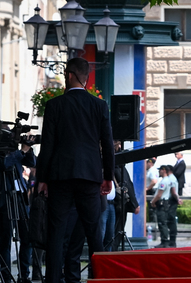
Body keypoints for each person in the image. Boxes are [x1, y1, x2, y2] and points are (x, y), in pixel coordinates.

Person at [36, 57, 115, 283]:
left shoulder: (54, 105)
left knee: (56, 233)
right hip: (90, 176)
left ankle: (52, 280)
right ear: (87, 79)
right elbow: (107, 145)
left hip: (60, 177)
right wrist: (107, 176)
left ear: (69, 75)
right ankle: (100, 278)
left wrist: (42, 178)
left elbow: (47, 145)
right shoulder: (99, 105)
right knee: (94, 234)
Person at [1, 136, 36, 283]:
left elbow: (31, 162)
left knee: (27, 238)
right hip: (4, 200)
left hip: (20, 198)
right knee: (5, 242)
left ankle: (24, 275)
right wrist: (20, 151)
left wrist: (27, 150)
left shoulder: (16, 152)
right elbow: (5, 164)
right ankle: (6, 276)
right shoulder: (7, 154)